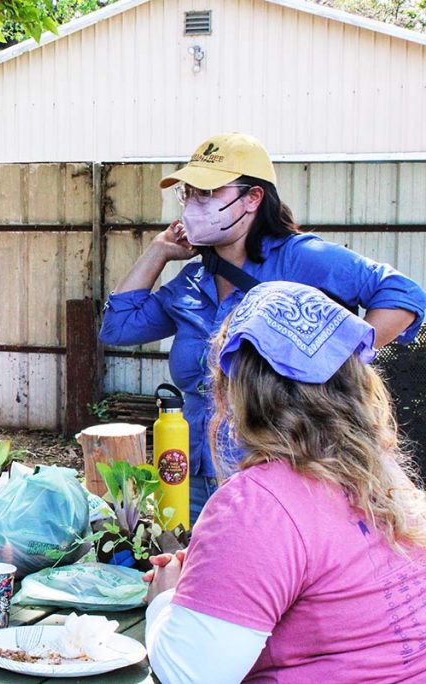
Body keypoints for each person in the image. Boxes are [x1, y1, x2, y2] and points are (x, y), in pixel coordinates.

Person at [99, 132, 426, 523]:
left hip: (281, 478)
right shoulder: (191, 283)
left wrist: (336, 360)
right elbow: (116, 328)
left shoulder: (301, 258)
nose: (193, 206)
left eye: (207, 193)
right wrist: (159, 250)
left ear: (252, 198)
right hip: (190, 476)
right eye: (189, 195)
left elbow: (404, 295)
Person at [143, 281, 426, 682]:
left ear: (237, 388)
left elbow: (187, 674)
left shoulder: (258, 503)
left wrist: (165, 597)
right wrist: (218, 573)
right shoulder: (380, 473)